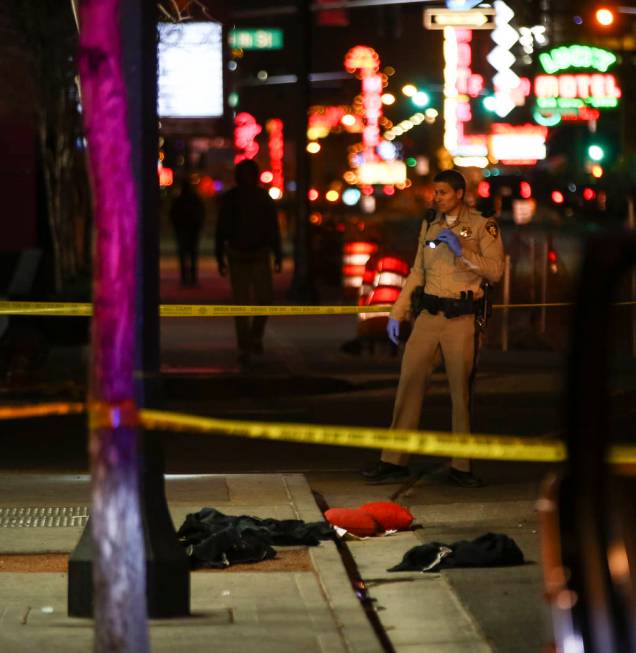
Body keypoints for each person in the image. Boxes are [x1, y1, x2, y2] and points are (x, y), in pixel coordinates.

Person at [363, 169, 504, 487]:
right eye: (435, 192)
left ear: (459, 194)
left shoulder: (483, 226)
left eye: (442, 192)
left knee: (460, 394)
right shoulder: (430, 224)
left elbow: (496, 272)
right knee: (409, 384)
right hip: (428, 315)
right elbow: (417, 272)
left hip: (461, 319)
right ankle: (394, 461)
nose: (436, 198)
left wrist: (461, 251)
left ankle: (462, 466)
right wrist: (396, 313)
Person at [215, 159, 282, 364]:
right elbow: (222, 229)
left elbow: (272, 227)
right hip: (238, 254)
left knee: (265, 299)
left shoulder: (262, 197)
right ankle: (246, 343)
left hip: (258, 254)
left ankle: (254, 336)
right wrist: (219, 256)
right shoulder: (232, 199)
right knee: (241, 303)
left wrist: (278, 253)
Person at [170, 178, 206, 287]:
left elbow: (173, 215)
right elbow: (201, 213)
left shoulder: (179, 200)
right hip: (192, 230)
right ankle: (192, 278)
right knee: (192, 255)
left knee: (183, 255)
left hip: (183, 230)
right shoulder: (195, 199)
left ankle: (185, 278)